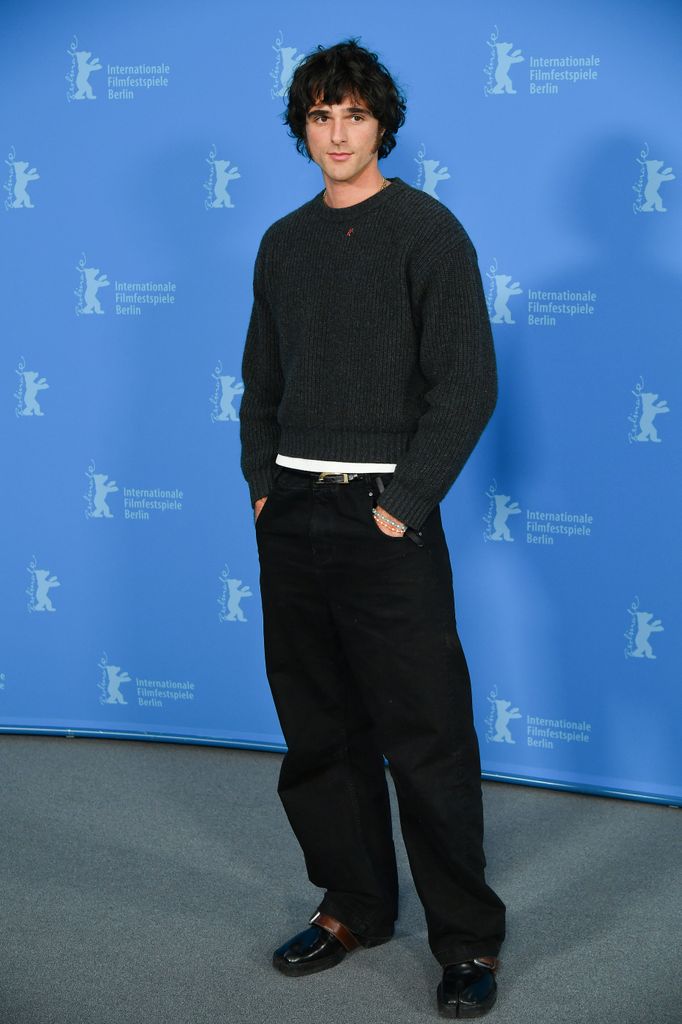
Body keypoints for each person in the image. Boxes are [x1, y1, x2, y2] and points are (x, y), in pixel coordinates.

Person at [239, 38, 506, 1019]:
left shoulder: (426, 232)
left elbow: (466, 384)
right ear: (302, 128)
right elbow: (259, 384)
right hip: (293, 512)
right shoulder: (281, 242)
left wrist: (401, 503)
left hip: (380, 515)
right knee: (319, 729)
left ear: (380, 123)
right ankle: (353, 904)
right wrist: (262, 489)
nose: (337, 133)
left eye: (352, 113)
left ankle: (468, 940)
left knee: (424, 734)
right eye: (320, 115)